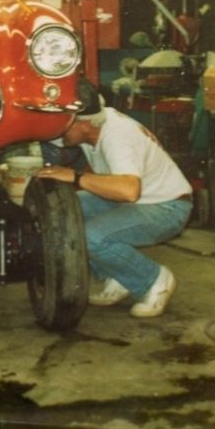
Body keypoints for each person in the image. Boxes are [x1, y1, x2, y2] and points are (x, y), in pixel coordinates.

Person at [35, 78, 192, 317]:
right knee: (67, 212)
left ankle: (153, 280)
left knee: (91, 237)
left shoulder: (118, 137)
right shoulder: (94, 120)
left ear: (84, 124)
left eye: (63, 124)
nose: (58, 131)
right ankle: (120, 277)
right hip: (136, 199)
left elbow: (129, 190)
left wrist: (75, 177)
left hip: (166, 207)